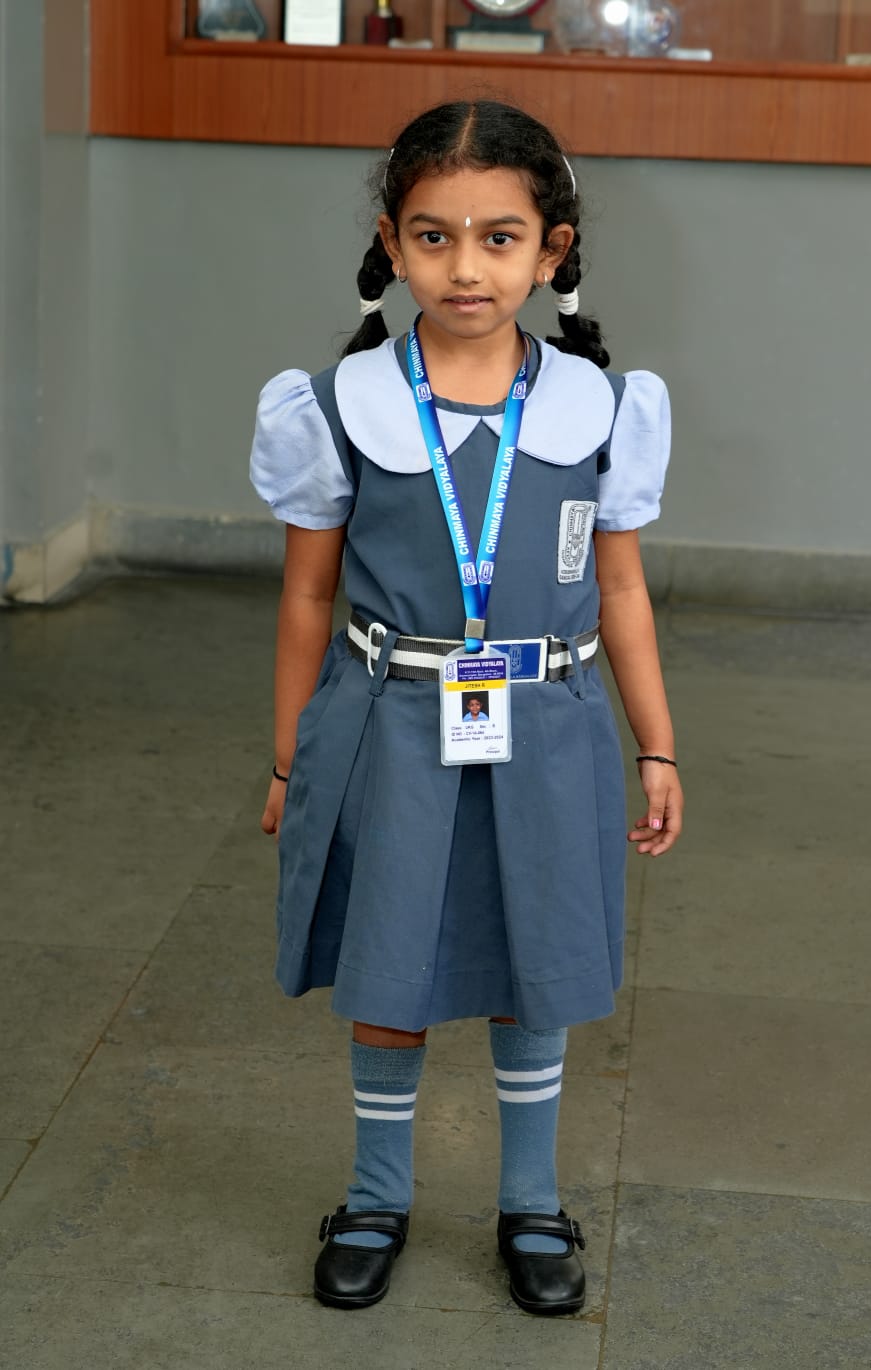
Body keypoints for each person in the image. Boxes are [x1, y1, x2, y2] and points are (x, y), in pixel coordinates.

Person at [249, 98, 683, 1317]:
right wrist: (290, 758)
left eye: (500, 237)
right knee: (388, 965)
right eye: (433, 236)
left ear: (553, 249)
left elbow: (622, 587)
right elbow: (304, 597)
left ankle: (531, 1200)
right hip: (388, 726)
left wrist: (656, 741)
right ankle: (377, 1191)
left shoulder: (600, 408)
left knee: (530, 959)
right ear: (391, 243)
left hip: (545, 727)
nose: (466, 266)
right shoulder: (338, 405)